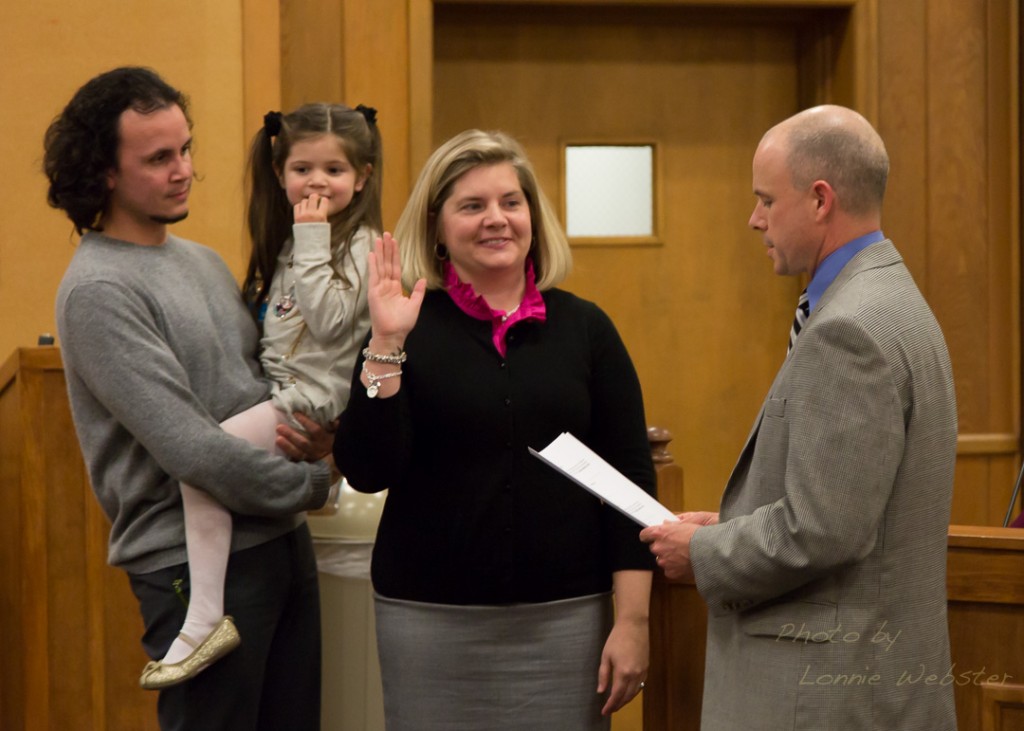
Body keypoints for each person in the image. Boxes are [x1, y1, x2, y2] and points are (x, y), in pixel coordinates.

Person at [640, 105, 958, 730]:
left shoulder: (849, 330)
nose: (753, 218)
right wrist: (731, 521)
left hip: (823, 697)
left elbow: (821, 532)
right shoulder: (891, 296)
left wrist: (703, 551)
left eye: (765, 199)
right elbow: (844, 499)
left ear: (819, 200)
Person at [333, 129, 656, 729]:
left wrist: (633, 620)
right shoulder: (404, 326)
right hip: (429, 622)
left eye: (511, 202)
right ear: (437, 225)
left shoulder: (586, 329)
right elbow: (368, 468)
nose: (496, 220)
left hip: (568, 621)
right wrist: (384, 345)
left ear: (533, 215)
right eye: (472, 205)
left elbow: (628, 480)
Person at [47, 67, 333, 730]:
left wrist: (315, 435)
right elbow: (193, 450)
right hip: (189, 560)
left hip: (279, 539)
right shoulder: (98, 289)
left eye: (186, 149)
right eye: (157, 158)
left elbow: (263, 390)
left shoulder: (201, 260)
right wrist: (315, 483)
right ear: (105, 172)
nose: (183, 170)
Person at [139, 102, 380, 688]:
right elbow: (278, 325)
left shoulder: (362, 244)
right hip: (284, 391)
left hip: (312, 400)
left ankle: (201, 620)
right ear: (279, 174)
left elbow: (324, 325)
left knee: (203, 465)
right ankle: (203, 618)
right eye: (302, 169)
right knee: (206, 468)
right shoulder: (295, 242)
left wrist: (315, 236)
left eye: (334, 170)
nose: (317, 183)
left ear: (363, 177)